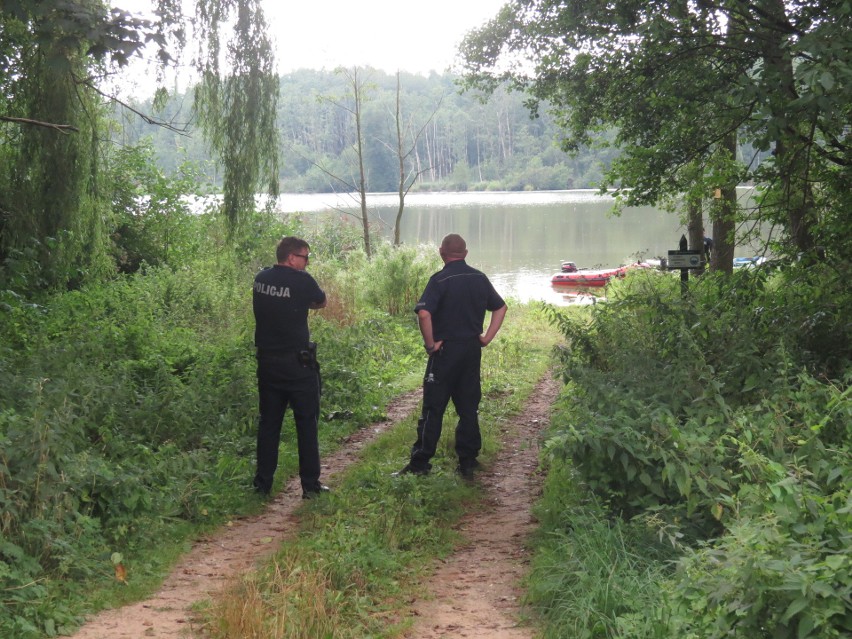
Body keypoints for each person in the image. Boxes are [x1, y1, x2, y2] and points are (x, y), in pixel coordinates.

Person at [397, 233, 508, 479]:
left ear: (441, 253)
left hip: (445, 353)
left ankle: (420, 463)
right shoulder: (479, 278)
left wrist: (430, 345)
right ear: (465, 253)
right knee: (468, 407)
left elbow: (424, 314)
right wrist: (486, 337)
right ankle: (467, 463)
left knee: (433, 408)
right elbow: (500, 307)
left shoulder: (439, 280)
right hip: (470, 351)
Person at [252, 236, 329, 499]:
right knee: (306, 424)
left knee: (269, 424)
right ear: (291, 258)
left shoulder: (261, 278)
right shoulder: (302, 281)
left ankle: (262, 484)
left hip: (267, 364)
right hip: (297, 365)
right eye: (305, 257)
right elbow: (320, 301)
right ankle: (310, 486)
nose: (307, 263)